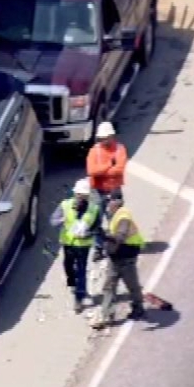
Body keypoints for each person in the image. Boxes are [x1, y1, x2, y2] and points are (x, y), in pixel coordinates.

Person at [93, 188, 146, 328]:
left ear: (117, 202)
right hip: (115, 256)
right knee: (109, 286)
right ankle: (107, 316)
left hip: (126, 257)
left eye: (109, 201)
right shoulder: (115, 214)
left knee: (132, 284)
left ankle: (138, 308)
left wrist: (106, 236)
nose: (107, 204)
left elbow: (120, 236)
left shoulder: (123, 216)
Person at [50, 178, 101, 313]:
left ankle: (79, 298)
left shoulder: (94, 209)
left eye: (84, 196)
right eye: (79, 195)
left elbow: (97, 228)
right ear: (75, 194)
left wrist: (88, 234)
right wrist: (62, 219)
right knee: (68, 267)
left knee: (81, 270)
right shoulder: (65, 205)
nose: (81, 198)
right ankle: (73, 284)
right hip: (68, 244)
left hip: (83, 245)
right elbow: (52, 221)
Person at [86, 121, 128, 255]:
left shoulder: (120, 149)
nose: (103, 141)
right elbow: (91, 171)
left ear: (112, 136)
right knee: (94, 221)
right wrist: (109, 165)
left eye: (106, 138)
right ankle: (98, 247)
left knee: (115, 221)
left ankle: (115, 246)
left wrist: (102, 171)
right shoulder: (94, 151)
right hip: (97, 191)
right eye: (101, 138)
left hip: (114, 191)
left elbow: (119, 170)